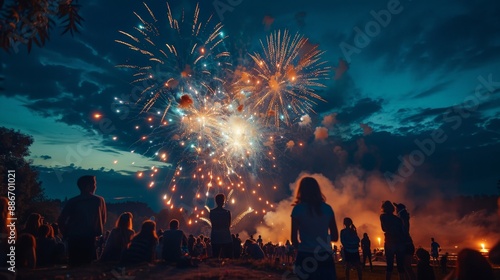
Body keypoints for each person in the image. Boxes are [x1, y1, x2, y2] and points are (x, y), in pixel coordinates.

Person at [291, 176, 339, 280]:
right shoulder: (327, 209)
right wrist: (323, 241)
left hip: (305, 256)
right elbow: (335, 236)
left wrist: (303, 246)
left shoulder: (297, 210)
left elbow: (294, 239)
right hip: (324, 256)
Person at [57, 175, 107, 266]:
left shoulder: (72, 201)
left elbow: (61, 220)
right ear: (88, 185)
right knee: (88, 268)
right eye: (94, 184)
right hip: (90, 239)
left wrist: (66, 234)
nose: (95, 186)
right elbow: (103, 220)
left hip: (74, 239)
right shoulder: (99, 201)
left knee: (74, 265)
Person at [380, 201, 405, 280]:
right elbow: (402, 231)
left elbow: (384, 229)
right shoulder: (398, 219)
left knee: (389, 265)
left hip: (389, 241)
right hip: (399, 242)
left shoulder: (383, 217)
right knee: (400, 265)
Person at [394, 203, 416, 280]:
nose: (395, 210)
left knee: (407, 267)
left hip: (406, 244)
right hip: (407, 244)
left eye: (396, 209)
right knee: (405, 267)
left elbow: (405, 231)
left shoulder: (403, 218)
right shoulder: (403, 217)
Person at [209, 193, 232, 259]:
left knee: (215, 256)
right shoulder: (227, 212)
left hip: (215, 235)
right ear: (223, 201)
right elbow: (229, 224)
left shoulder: (212, 212)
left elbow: (212, 223)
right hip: (225, 236)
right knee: (228, 257)